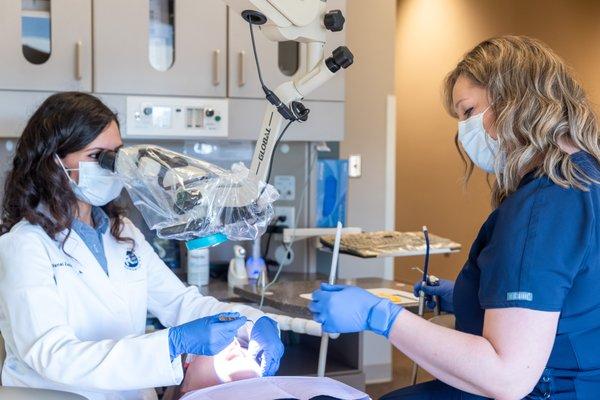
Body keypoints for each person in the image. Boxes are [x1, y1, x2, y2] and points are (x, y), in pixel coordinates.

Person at [310, 36, 600, 399]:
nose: (463, 131)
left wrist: (379, 316)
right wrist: (472, 297)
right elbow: (567, 297)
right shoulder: (584, 175)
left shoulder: (544, 206)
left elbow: (506, 376)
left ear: (514, 99)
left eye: (467, 112)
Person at [0, 92, 284, 400]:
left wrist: (252, 324)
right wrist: (171, 344)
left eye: (116, 155)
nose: (112, 168)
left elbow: (182, 305)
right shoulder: (24, 245)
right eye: (98, 157)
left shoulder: (124, 234)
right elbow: (51, 354)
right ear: (52, 161)